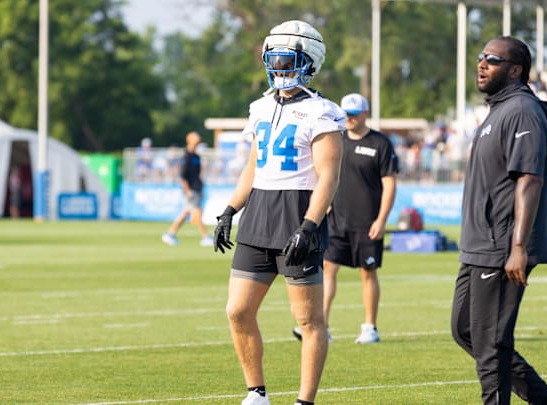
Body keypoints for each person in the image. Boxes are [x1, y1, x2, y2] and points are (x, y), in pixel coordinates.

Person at [212, 20, 344, 405]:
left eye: (289, 60)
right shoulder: (260, 106)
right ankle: (256, 392)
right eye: (276, 60)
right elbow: (254, 168)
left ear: (309, 60)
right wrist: (229, 210)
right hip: (258, 216)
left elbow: (329, 177)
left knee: (308, 321)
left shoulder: (322, 112)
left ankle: (305, 401)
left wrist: (309, 225)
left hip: (297, 215)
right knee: (237, 311)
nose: (281, 68)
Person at [450, 36, 547, 405]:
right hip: (478, 245)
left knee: (491, 341)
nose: (481, 64)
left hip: (502, 245)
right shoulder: (498, 110)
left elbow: (529, 179)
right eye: (480, 57)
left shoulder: (523, 110)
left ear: (515, 70)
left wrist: (518, 247)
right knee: (466, 331)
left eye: (492, 59)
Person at [291, 93, 398, 344]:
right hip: (337, 220)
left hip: (367, 222)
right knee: (328, 269)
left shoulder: (380, 143)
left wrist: (381, 220)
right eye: (346, 114)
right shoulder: (337, 140)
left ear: (365, 114)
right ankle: (322, 326)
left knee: (367, 272)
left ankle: (370, 327)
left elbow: (390, 184)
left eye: (353, 114)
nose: (348, 118)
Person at [161, 131, 213, 247]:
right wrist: (187, 191)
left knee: (186, 212)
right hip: (191, 189)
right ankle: (205, 237)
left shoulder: (197, 157)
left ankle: (170, 233)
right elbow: (183, 176)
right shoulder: (186, 157)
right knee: (197, 212)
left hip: (197, 188)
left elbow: (198, 174)